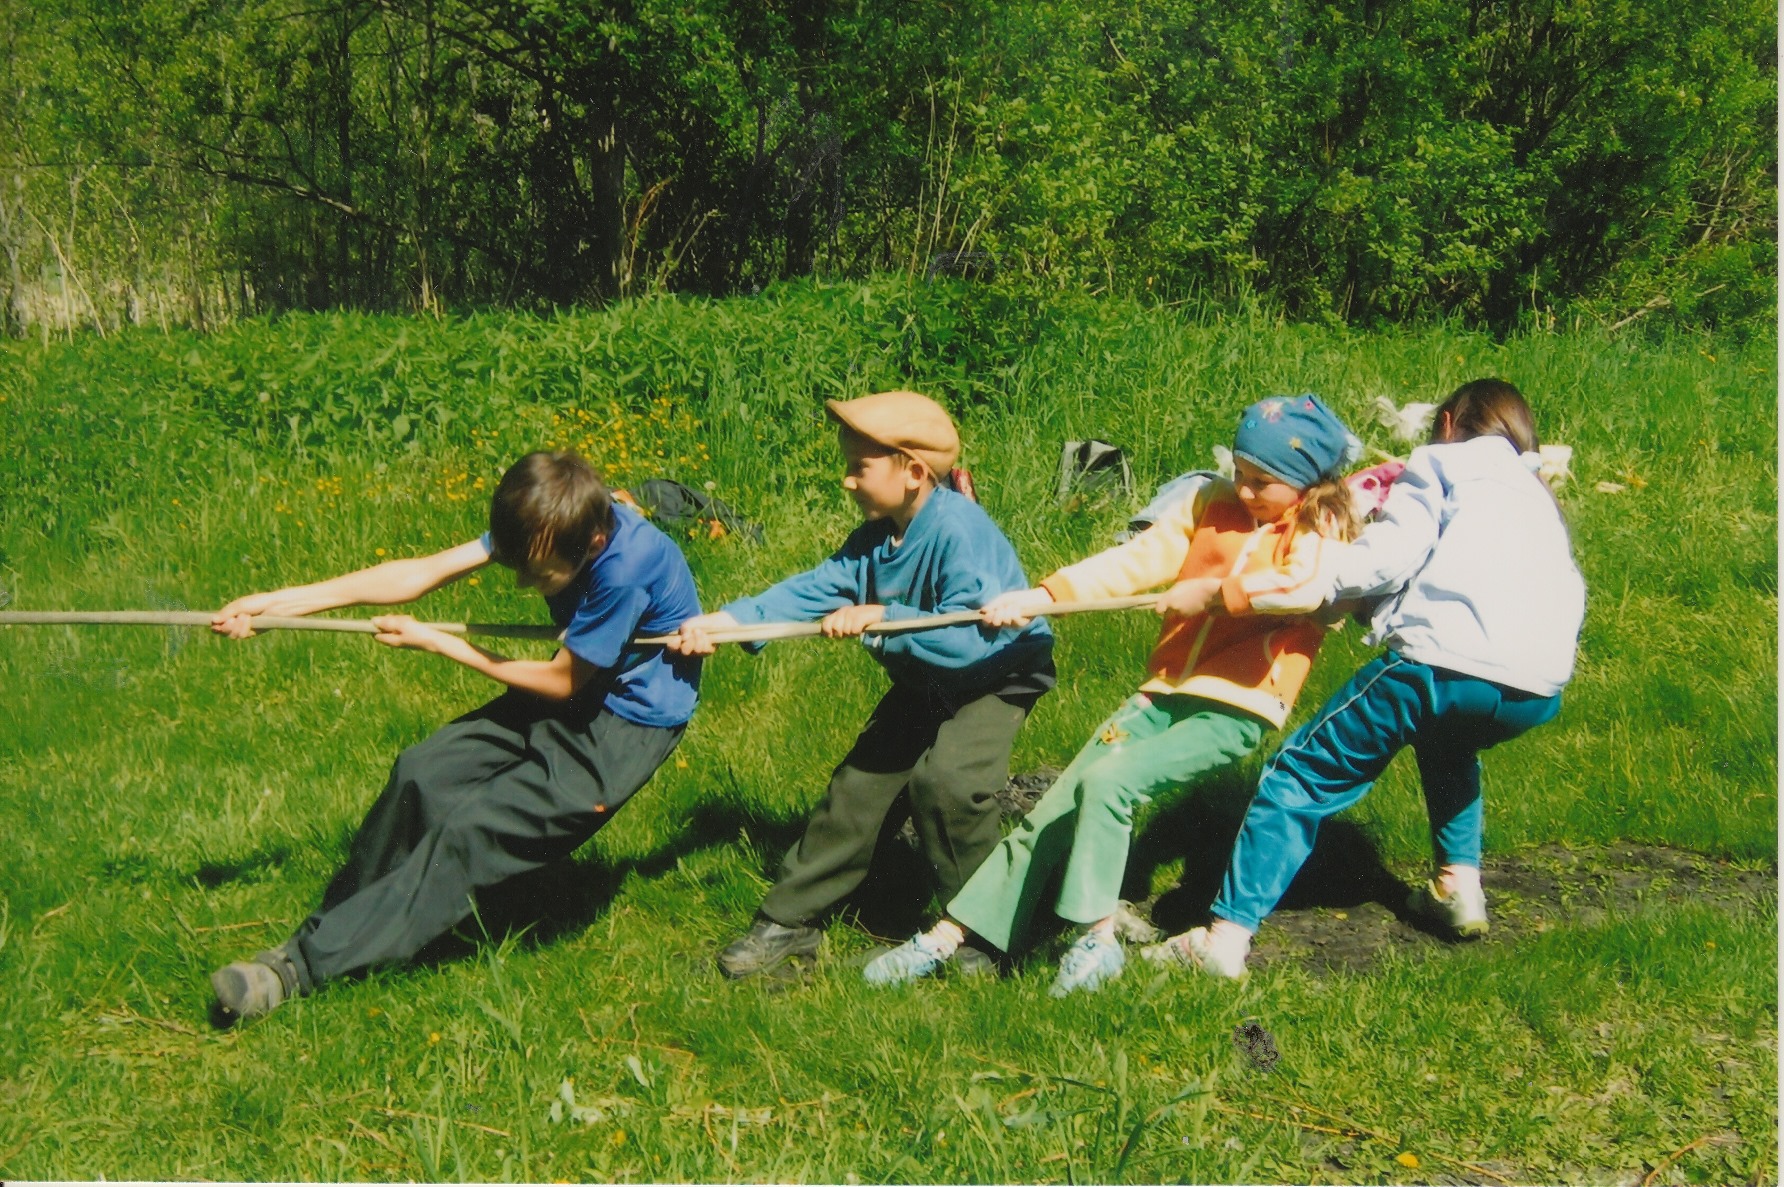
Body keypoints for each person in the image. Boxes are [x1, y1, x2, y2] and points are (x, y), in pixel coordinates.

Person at [864, 393, 1363, 996]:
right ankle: (954, 934)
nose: (1246, 489)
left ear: (1307, 479)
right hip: (1162, 691)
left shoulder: (1319, 526)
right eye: (1239, 471)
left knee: (1111, 784)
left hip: (1239, 703)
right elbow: (1136, 560)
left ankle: (1096, 941)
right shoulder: (1210, 504)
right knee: (1054, 809)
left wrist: (1211, 594)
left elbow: (1305, 588)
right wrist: (1043, 597)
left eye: (1263, 480)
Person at [205, 451, 702, 1024]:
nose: (521, 582)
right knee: (423, 771)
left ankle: (295, 970)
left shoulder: (624, 567)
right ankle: (345, 923)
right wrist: (279, 604)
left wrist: (444, 644)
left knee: (470, 833)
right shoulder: (550, 520)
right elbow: (418, 573)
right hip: (580, 688)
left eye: (536, 576)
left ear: (591, 542)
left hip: (624, 727)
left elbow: (562, 680)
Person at [1146, 378, 1585, 978]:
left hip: (1441, 664)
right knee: (1447, 740)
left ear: (1450, 422)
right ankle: (1458, 885)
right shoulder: (1533, 492)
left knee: (1298, 777)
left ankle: (1223, 940)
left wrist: (1302, 578)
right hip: (1537, 687)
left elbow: (1385, 558)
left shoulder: (1439, 464)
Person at [669, 390, 1055, 980]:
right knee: (855, 789)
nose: (847, 481)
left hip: (998, 672)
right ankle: (790, 924)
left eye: (860, 467)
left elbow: (970, 637)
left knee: (948, 784)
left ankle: (986, 932)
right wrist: (724, 623)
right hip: (929, 678)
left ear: (914, 472)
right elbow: (814, 589)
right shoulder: (877, 537)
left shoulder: (959, 529)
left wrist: (883, 619)